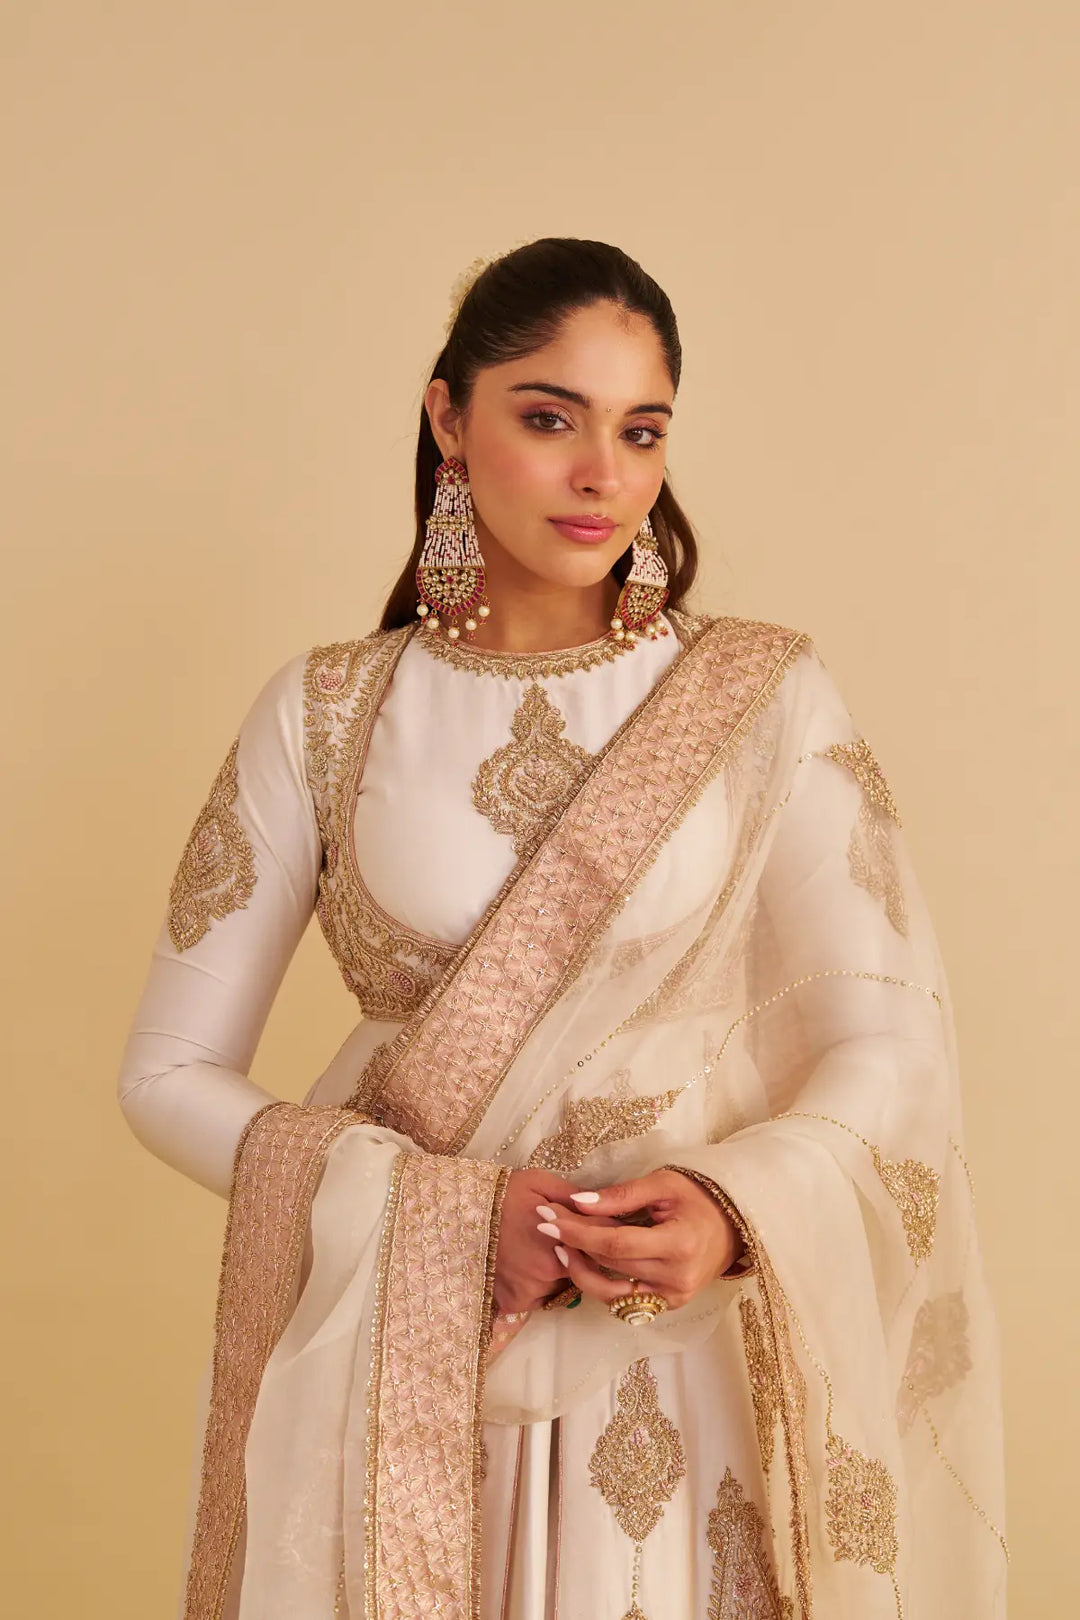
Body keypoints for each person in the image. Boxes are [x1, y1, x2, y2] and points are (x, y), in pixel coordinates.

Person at [117, 236, 1007, 1620]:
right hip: (401, 1365)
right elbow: (164, 1075)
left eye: (639, 431)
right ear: (448, 419)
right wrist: (449, 1219)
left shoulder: (761, 701)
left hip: (680, 1362)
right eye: (549, 418)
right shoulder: (325, 714)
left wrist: (730, 1211)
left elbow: (888, 1043)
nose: (602, 475)